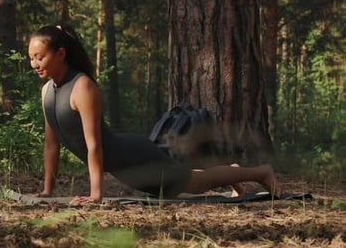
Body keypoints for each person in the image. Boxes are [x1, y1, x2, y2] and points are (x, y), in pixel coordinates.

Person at [28, 24, 280, 205]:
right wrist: (48, 190)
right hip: (124, 168)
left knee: (194, 185)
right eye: (31, 58)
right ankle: (234, 170)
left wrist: (96, 195)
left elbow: (94, 146)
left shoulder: (82, 87)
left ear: (60, 53)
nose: (35, 64)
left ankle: (260, 172)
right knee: (188, 184)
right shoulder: (47, 92)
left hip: (136, 157)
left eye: (40, 57)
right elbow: (52, 146)